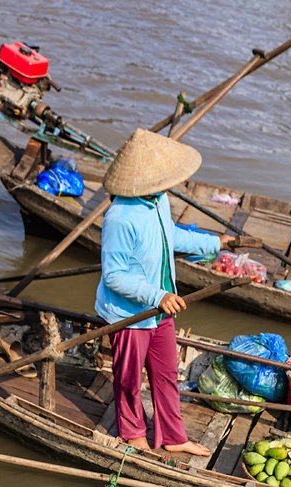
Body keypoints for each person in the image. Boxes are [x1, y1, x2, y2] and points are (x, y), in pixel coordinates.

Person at [96, 129, 234, 456]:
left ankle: (173, 436)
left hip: (160, 308)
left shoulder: (158, 201)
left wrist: (213, 243)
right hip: (130, 313)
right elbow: (114, 276)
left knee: (166, 373)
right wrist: (156, 296)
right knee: (129, 379)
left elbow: (171, 237)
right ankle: (131, 433)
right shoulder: (119, 218)